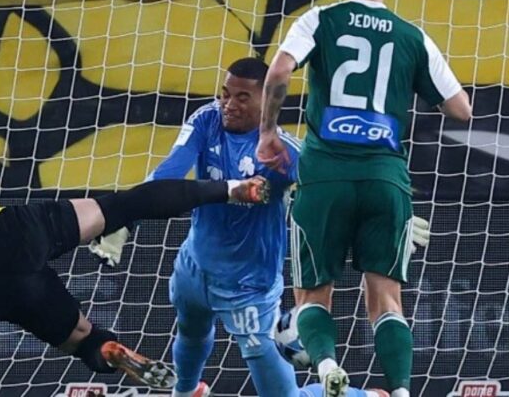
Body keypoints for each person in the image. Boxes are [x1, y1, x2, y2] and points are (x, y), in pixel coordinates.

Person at [0, 26, 269, 388]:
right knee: (124, 205)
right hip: (0, 236)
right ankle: (232, 189)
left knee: (82, 338)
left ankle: (110, 351)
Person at [92, 58, 404, 397]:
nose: (229, 105)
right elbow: (169, 172)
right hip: (194, 267)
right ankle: (186, 391)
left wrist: (386, 217)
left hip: (249, 288)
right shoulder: (207, 119)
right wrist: (124, 218)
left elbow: (337, 194)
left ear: (268, 101)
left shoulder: (285, 153)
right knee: (191, 331)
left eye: (242, 98)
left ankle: (367, 396)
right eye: (225, 94)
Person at [255, 0, 472, 397]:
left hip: (325, 177)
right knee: (387, 299)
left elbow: (279, 70)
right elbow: (461, 109)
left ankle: (327, 365)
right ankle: (401, 390)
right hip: (385, 179)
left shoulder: (319, 19)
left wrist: (268, 132)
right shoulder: (412, 36)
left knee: (313, 295)